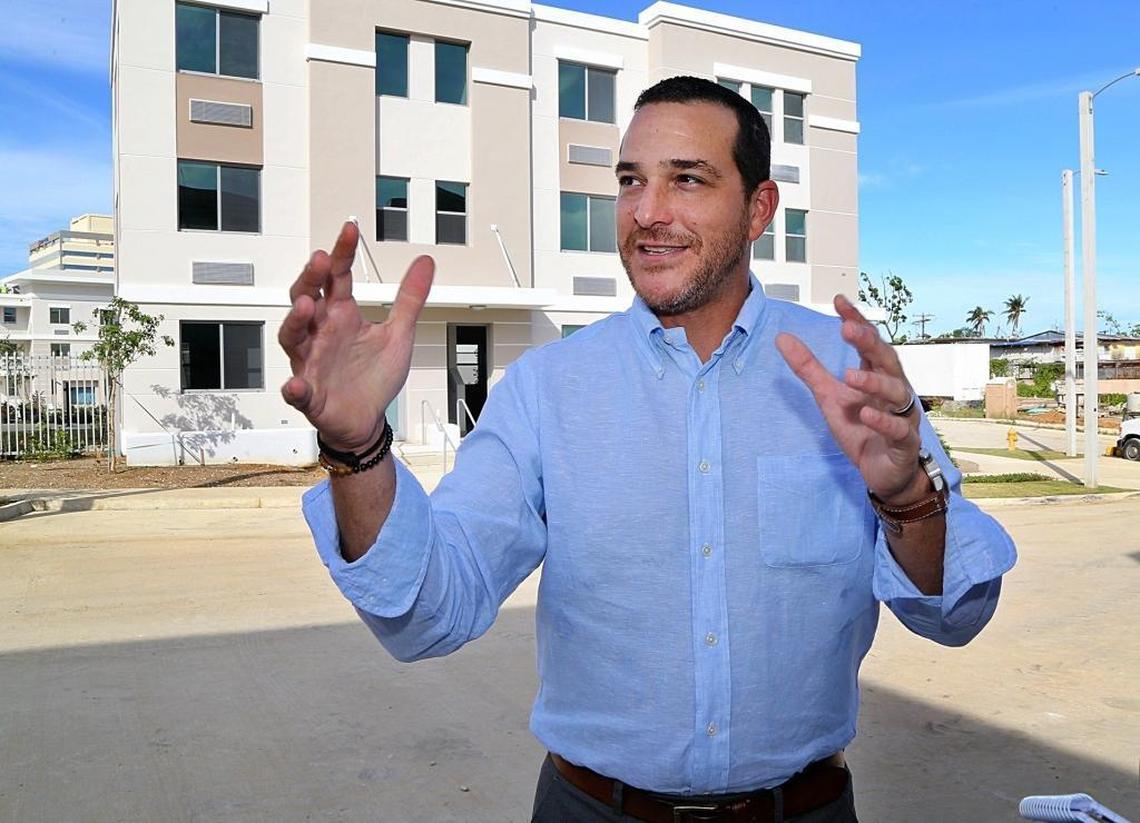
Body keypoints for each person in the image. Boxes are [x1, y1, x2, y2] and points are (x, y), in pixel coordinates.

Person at [280, 76, 1016, 823]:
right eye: (631, 180)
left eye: (687, 179)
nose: (647, 212)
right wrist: (359, 444)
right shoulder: (546, 389)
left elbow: (954, 613)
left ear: (760, 208)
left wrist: (906, 498)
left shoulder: (848, 373)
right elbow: (429, 609)